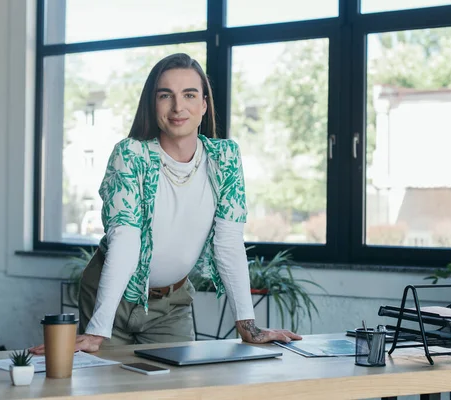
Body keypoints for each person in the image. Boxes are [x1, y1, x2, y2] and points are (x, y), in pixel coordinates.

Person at [30, 53, 301, 355]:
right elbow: (126, 240)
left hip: (172, 304)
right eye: (165, 95)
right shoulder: (130, 155)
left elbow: (228, 243)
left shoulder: (225, 159)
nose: (177, 107)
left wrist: (247, 325)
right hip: (112, 299)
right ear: (152, 104)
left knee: (178, 388)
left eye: (189, 95)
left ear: (203, 105)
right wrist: (97, 329)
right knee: (106, 387)